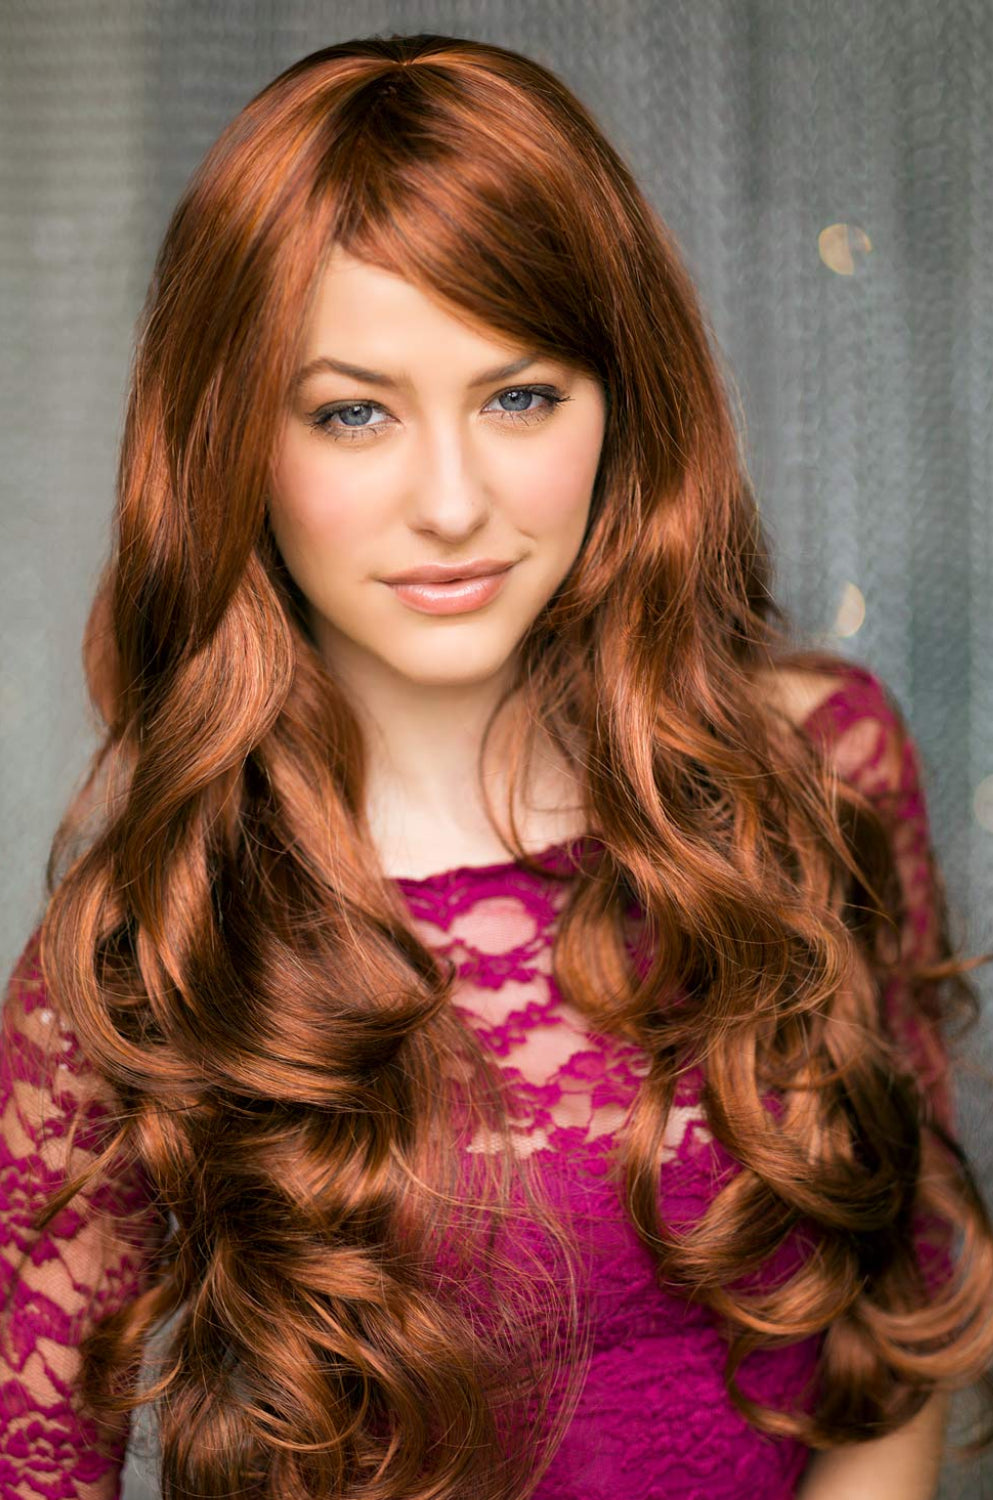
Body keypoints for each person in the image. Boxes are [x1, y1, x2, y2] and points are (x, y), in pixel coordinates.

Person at [1, 31, 991, 1500]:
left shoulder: (819, 767)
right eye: (354, 412)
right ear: (234, 443)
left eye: (520, 396)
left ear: (621, 403)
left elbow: (895, 1315)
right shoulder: (146, 964)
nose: (454, 502)